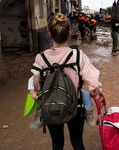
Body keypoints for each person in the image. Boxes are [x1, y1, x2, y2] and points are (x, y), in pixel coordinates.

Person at [29, 13, 102, 150]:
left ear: (50, 34)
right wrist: (95, 90)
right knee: (77, 141)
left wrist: (35, 91)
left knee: (57, 143)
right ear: (69, 32)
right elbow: (93, 85)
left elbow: (36, 86)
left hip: (51, 107)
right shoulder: (78, 55)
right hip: (75, 107)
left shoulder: (40, 57)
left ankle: (39, 117)